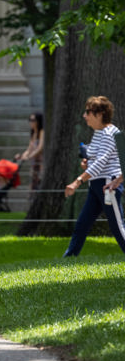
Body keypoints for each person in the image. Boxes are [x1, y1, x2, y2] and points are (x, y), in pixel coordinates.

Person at [61, 96, 125, 257]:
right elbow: (95, 159)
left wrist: (77, 181)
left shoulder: (110, 133)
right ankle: (69, 258)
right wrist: (86, 163)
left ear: (100, 114)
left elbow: (102, 161)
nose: (84, 116)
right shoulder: (98, 133)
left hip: (109, 185)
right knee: (82, 224)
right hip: (96, 186)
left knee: (118, 227)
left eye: (88, 112)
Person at [14, 112, 45, 190]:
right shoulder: (33, 133)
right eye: (30, 120)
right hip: (34, 163)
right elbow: (29, 149)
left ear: (38, 121)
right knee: (33, 184)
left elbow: (40, 148)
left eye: (33, 120)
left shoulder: (41, 132)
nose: (31, 122)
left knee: (39, 182)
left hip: (40, 162)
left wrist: (28, 157)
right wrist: (22, 156)